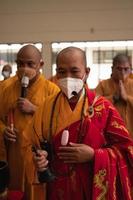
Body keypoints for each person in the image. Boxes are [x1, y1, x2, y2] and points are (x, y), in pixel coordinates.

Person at [22, 47, 133, 200]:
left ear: (86, 72)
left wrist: (95, 155)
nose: (68, 77)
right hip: (57, 188)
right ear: (56, 72)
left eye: (74, 71)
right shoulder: (47, 107)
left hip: (91, 189)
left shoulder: (103, 108)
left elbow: (126, 151)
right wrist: (39, 158)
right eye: (62, 72)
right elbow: (29, 145)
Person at [0, 44, 59, 200]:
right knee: (13, 192)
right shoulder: (5, 88)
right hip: (13, 155)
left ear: (41, 64)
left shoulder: (52, 90)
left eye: (30, 64)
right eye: (20, 64)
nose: (24, 68)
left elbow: (59, 121)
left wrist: (34, 109)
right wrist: (3, 130)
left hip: (38, 157)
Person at [95, 54, 133, 138]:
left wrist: (127, 98)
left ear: (130, 69)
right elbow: (94, 106)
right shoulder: (103, 85)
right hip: (109, 134)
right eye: (119, 69)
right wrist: (113, 98)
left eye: (126, 69)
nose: (123, 72)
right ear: (112, 69)